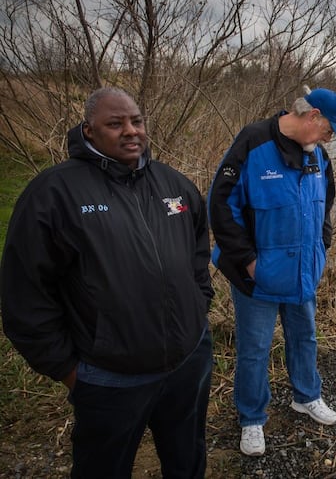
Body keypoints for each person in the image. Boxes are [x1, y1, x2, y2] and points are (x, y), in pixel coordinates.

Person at [0, 87, 215, 478]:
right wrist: (68, 369)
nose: (130, 131)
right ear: (89, 131)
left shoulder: (174, 184)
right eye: (114, 124)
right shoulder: (54, 192)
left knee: (187, 462)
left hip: (187, 363)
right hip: (110, 377)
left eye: (136, 121)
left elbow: (198, 253)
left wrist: (199, 309)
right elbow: (25, 292)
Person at [207, 86, 336, 456]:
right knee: (254, 349)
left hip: (303, 271)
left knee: (305, 337)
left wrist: (322, 246)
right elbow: (220, 203)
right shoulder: (253, 142)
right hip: (257, 275)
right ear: (312, 117)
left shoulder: (318, 156)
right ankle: (252, 419)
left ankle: (307, 396)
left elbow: (326, 202)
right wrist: (249, 261)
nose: (329, 138)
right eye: (329, 130)